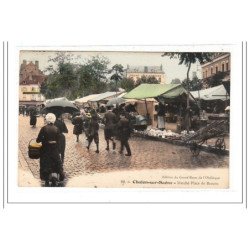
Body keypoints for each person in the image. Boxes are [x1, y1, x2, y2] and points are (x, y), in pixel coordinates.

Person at [36, 113, 64, 186]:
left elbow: (38, 140)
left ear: (47, 119)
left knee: (44, 163)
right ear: (54, 120)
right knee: (57, 163)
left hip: (46, 149)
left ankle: (46, 179)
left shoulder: (43, 128)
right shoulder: (57, 128)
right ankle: (60, 175)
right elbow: (59, 140)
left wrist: (42, 139)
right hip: (54, 150)